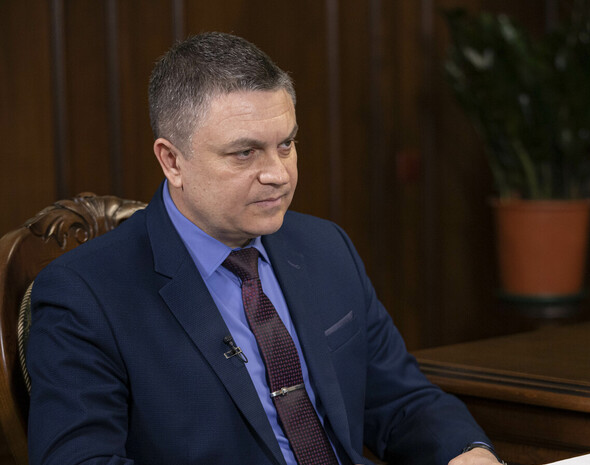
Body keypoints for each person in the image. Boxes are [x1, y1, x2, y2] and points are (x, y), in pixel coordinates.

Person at [27, 32, 503, 465]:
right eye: (245, 152)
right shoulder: (85, 294)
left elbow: (401, 400)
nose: (278, 174)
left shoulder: (325, 247)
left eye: (287, 144)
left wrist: (467, 452)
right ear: (171, 160)